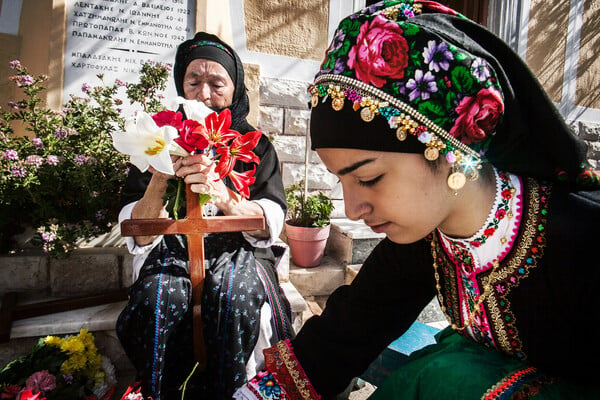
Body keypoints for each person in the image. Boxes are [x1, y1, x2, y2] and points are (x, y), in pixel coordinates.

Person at [234, 1, 600, 399]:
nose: (353, 207)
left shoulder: (582, 240)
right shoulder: (431, 238)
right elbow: (348, 330)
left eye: (370, 178)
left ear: (449, 148)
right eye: (342, 181)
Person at [116, 32, 294, 400]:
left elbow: (271, 215)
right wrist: (162, 173)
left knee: (235, 297)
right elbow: (141, 232)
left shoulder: (254, 143)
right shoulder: (161, 133)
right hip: (172, 246)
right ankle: (163, 392)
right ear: (181, 85)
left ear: (235, 88)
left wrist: (224, 195)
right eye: (193, 82)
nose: (204, 94)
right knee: (158, 297)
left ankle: (231, 392)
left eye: (217, 83)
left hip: (235, 249)